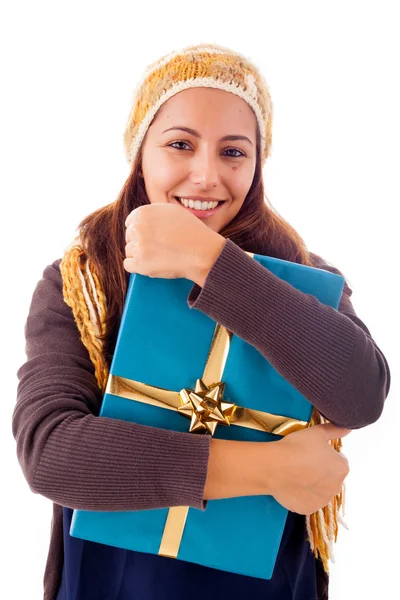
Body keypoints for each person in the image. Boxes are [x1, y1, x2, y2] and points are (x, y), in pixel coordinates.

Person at [13, 43, 390, 600]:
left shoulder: (305, 278)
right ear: (141, 153)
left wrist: (209, 263)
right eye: (180, 145)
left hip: (267, 585)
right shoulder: (82, 279)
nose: (206, 175)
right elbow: (51, 453)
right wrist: (268, 469)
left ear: (257, 165)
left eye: (233, 152)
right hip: (114, 582)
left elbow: (362, 396)